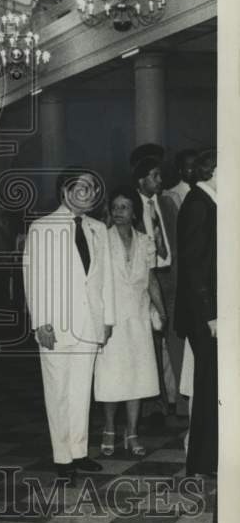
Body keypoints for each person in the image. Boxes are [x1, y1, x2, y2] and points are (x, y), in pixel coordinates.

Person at [23, 169, 115, 478]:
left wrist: (108, 319)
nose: (91, 194)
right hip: (56, 326)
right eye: (85, 188)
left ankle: (79, 452)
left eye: (94, 188)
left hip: (90, 324)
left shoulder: (98, 229)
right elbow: (33, 278)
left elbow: (106, 280)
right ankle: (62, 457)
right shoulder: (42, 227)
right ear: (65, 191)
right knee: (57, 391)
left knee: (81, 392)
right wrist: (41, 323)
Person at [93, 187, 167, 458]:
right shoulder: (101, 239)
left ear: (134, 211)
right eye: (115, 207)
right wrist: (100, 318)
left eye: (124, 207)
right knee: (112, 376)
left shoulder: (146, 241)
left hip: (138, 318)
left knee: (137, 376)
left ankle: (132, 431)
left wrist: (162, 311)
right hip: (111, 319)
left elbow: (151, 280)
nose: (119, 212)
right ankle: (110, 428)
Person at [174, 149, 217, 476]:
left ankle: (209, 458)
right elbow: (195, 267)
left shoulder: (208, 201)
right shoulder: (199, 204)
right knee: (208, 388)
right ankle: (202, 462)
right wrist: (212, 315)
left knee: (212, 387)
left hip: (209, 312)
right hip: (205, 316)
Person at [134, 154, 182, 422]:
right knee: (150, 343)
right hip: (146, 281)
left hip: (170, 277)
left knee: (177, 338)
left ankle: (181, 401)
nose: (160, 181)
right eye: (155, 176)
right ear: (141, 179)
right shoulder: (129, 208)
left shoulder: (167, 203)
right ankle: (155, 405)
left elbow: (177, 243)